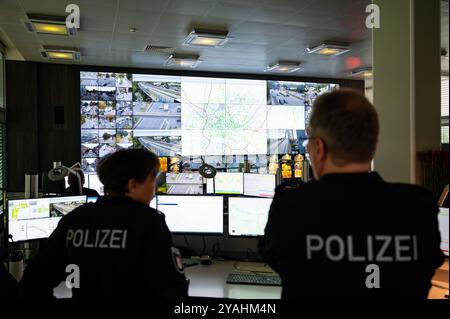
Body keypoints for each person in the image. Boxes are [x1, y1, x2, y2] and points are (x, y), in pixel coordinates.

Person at [259, 89, 445, 300]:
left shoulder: (291, 207)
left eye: (309, 143)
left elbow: (275, 257)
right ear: (372, 146)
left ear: (319, 148)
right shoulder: (417, 208)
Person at [21, 149, 188, 299]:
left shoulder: (75, 219)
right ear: (133, 185)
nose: (154, 190)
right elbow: (172, 290)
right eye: (152, 181)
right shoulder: (149, 222)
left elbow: (33, 282)